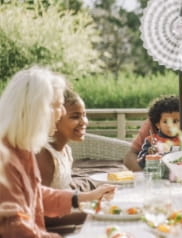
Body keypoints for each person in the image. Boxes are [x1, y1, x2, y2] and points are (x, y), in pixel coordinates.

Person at [0, 67, 115, 238]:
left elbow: (36, 194)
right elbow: (15, 228)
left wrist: (84, 197)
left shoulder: (22, 147)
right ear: (38, 109)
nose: (61, 112)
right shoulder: (4, 159)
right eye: (58, 105)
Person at [36, 88, 90, 190]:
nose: (84, 122)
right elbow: (40, 199)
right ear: (55, 119)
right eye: (75, 117)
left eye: (84, 115)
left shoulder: (66, 150)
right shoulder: (45, 155)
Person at [137, 95, 181, 168]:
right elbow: (140, 163)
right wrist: (148, 154)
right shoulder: (151, 141)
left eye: (175, 121)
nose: (170, 125)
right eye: (165, 121)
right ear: (158, 124)